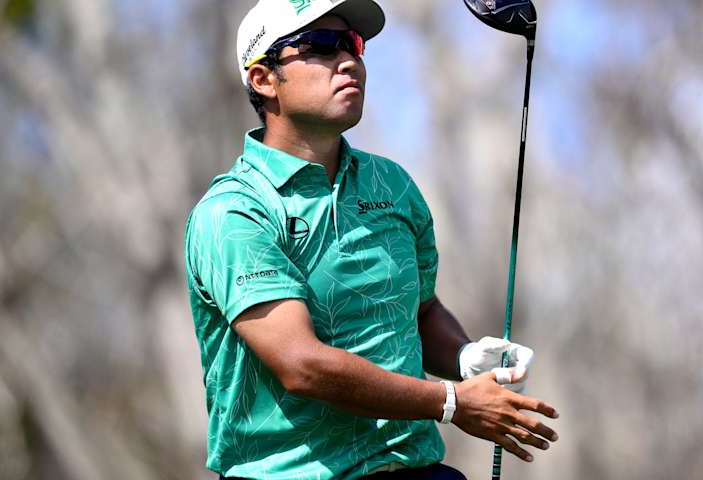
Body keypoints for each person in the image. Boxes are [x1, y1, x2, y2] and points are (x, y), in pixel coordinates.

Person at [184, 1, 559, 479]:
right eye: (321, 45)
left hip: (414, 468)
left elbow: (420, 310)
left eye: (354, 45)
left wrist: (463, 356)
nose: (349, 61)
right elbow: (301, 364)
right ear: (263, 79)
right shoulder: (234, 212)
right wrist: (451, 402)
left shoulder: (393, 185)